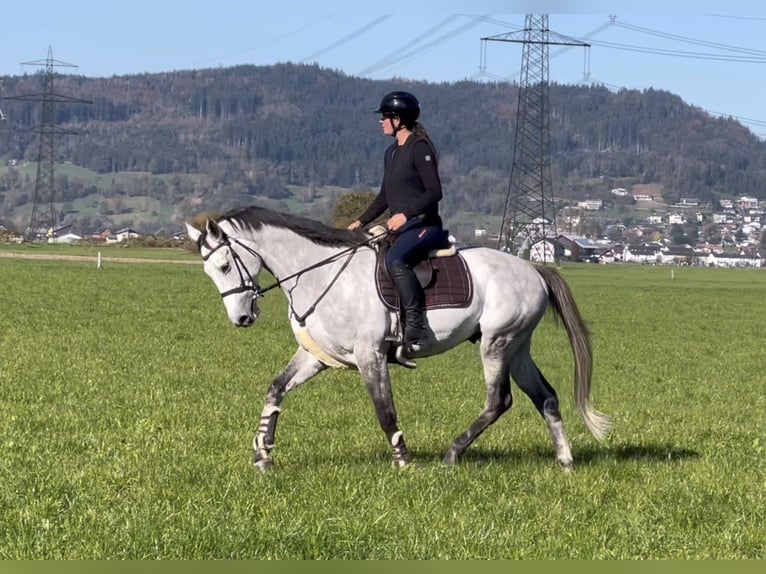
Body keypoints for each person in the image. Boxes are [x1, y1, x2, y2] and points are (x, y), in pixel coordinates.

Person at [348, 90, 447, 354]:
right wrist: (360, 221)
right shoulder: (391, 153)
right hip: (403, 228)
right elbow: (384, 196)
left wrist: (406, 214)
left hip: (425, 226)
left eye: (385, 117)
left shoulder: (419, 148)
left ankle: (415, 325)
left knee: (395, 260)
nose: (381, 121)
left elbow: (435, 192)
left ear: (399, 120)